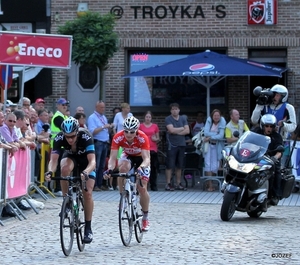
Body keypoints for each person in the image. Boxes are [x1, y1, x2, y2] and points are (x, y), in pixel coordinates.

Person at [45, 117, 96, 243]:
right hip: (71, 158)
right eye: (67, 137)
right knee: (64, 169)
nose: (70, 139)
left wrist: (86, 172)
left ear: (77, 132)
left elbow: (93, 161)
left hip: (86, 163)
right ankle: (66, 200)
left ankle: (88, 228)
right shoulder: (59, 138)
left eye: (73, 136)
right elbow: (53, 160)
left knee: (87, 194)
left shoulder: (86, 136)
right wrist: (50, 172)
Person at [104, 116, 151, 231]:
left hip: (141, 159)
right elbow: (112, 158)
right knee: (123, 169)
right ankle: (123, 197)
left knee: (142, 188)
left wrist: (141, 168)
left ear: (137, 131)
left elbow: (147, 159)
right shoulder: (118, 137)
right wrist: (109, 169)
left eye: (132, 132)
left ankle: (145, 217)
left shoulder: (142, 137)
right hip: (128, 156)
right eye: (126, 131)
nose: (128, 134)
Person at [251, 84, 296, 167]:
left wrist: (283, 125)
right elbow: (254, 120)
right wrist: (259, 105)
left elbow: (293, 126)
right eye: (274, 94)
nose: (275, 97)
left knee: (278, 166)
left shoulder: (289, 108)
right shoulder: (266, 105)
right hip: (263, 141)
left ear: (283, 96)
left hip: (280, 142)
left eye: (278, 95)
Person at [252, 114, 283, 206]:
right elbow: (248, 140)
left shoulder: (277, 137)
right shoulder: (256, 132)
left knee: (276, 171)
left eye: (271, 126)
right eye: (266, 126)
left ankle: (275, 195)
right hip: (256, 157)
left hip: (270, 159)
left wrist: (275, 157)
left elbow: (280, 151)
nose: (269, 128)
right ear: (262, 125)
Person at [87, 101, 112, 191]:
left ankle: (100, 184)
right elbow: (92, 131)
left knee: (102, 165)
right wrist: (103, 127)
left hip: (105, 143)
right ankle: (93, 185)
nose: (103, 109)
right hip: (98, 143)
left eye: (104, 107)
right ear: (96, 107)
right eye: (101, 107)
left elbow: (105, 130)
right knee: (96, 165)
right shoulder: (92, 118)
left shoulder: (103, 117)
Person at [164, 103, 190, 191]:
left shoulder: (183, 118)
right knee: (170, 165)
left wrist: (176, 131)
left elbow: (187, 131)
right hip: (172, 145)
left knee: (180, 165)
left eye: (176, 109)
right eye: (173, 109)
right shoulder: (168, 119)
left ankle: (178, 183)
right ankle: (168, 183)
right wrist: (182, 128)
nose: (175, 111)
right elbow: (171, 130)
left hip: (181, 144)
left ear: (179, 110)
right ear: (171, 110)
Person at [203, 109, 226, 191]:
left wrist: (210, 137)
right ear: (212, 116)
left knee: (215, 165)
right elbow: (205, 133)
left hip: (217, 146)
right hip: (208, 145)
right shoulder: (209, 121)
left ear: (220, 116)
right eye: (214, 115)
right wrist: (215, 134)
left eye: (218, 116)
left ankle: (209, 181)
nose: (216, 117)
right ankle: (210, 185)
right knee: (208, 164)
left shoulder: (222, 121)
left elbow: (221, 136)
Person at [50, 98, 69, 196]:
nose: (65, 106)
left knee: (63, 166)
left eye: (66, 105)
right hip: (58, 145)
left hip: (63, 145)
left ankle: (61, 186)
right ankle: (57, 188)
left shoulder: (64, 117)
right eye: (63, 105)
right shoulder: (58, 117)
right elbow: (66, 128)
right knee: (58, 167)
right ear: (58, 106)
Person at [139, 111, 160, 191]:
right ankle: (143, 185)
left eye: (149, 117)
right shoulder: (140, 126)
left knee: (153, 168)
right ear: (144, 117)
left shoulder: (155, 126)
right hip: (143, 149)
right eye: (146, 117)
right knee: (143, 167)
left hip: (152, 149)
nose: (148, 118)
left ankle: (153, 185)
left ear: (151, 118)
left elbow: (158, 138)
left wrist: (155, 139)